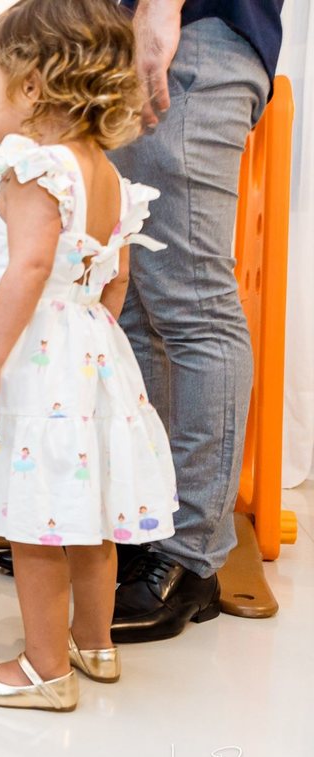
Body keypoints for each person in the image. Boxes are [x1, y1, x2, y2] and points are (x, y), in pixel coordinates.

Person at [0, 0, 178, 711]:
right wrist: (91, 339)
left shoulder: (30, 165)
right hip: (87, 352)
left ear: (32, 88)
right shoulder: (104, 173)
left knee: (38, 518)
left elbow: (26, 267)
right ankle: (94, 643)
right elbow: (116, 278)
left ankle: (44, 670)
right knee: (87, 510)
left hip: (31, 355)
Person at [101, 0, 284, 643]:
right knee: (140, 308)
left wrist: (158, 6)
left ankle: (190, 557)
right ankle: (152, 533)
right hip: (155, 36)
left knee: (191, 304)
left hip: (192, 33)